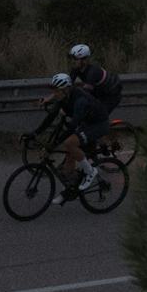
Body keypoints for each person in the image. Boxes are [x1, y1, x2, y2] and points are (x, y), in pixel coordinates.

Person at [44, 73, 108, 203]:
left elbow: (72, 127)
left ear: (66, 90)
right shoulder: (64, 98)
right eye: (53, 91)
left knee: (70, 143)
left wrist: (54, 144)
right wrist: (34, 133)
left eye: (57, 91)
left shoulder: (80, 100)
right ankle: (70, 191)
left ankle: (90, 171)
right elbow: (50, 117)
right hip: (88, 123)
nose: (54, 94)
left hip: (99, 124)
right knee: (69, 160)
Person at [67, 43, 126, 119]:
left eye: (75, 59)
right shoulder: (75, 69)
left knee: (98, 117)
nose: (72, 61)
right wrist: (50, 98)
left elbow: (85, 92)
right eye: (71, 58)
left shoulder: (93, 72)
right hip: (99, 93)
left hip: (111, 97)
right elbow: (67, 86)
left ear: (84, 60)